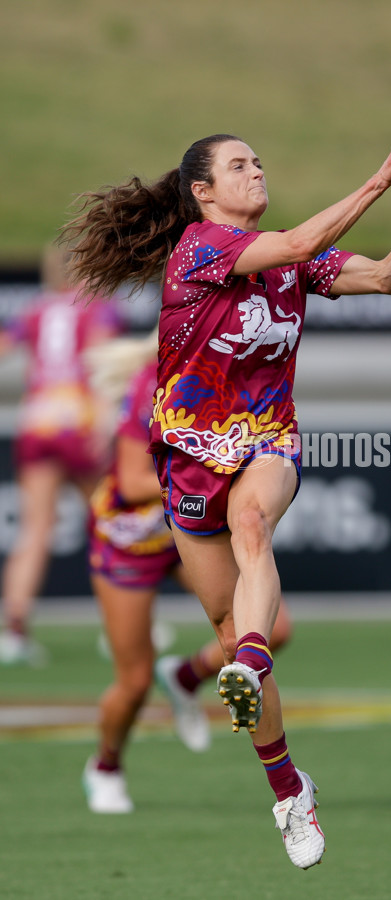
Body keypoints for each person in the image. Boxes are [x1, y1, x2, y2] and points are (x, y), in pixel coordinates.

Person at [62, 115, 391, 868]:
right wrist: (374, 183)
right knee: (228, 627)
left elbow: (388, 278)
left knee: (253, 525)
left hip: (266, 439)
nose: (257, 170)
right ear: (204, 193)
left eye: (258, 160)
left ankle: (251, 666)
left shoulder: (293, 262)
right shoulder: (200, 250)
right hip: (190, 459)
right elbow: (295, 244)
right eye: (239, 165)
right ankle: (289, 787)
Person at [81, 331, 293, 813]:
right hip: (130, 538)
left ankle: (184, 675)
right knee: (133, 682)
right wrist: (209, 473)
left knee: (271, 629)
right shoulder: (153, 385)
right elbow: (134, 480)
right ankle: (106, 766)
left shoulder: (238, 378)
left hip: (186, 530)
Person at [0, 245, 121, 666]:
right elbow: (100, 365)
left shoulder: (33, 310)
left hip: (37, 423)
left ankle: (14, 630)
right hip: (79, 423)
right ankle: (120, 625)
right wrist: (106, 425)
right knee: (111, 527)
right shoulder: (98, 308)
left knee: (34, 530)